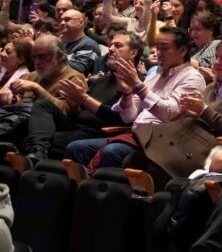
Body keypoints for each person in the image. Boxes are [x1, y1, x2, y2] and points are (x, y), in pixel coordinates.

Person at [65, 27, 205, 170]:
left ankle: (110, 190)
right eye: (157, 48)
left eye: (164, 48)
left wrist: (138, 85)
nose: (159, 53)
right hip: (137, 136)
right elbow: (128, 117)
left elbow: (169, 113)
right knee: (75, 148)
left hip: (162, 141)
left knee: (111, 152)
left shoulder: (192, 78)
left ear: (182, 51)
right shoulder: (153, 77)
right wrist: (126, 94)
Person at [133, 37, 222, 186]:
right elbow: (199, 116)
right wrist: (188, 111)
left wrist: (202, 110)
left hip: (207, 147)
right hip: (186, 138)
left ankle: (156, 205)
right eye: (216, 57)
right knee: (134, 158)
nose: (216, 62)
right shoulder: (210, 88)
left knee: (154, 167)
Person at [20, 32, 142, 162]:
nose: (111, 49)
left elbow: (121, 119)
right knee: (42, 106)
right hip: (76, 126)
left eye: (118, 45)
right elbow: (79, 112)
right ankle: (38, 151)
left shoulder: (137, 85)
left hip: (99, 132)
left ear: (133, 53)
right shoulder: (99, 81)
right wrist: (73, 104)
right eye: (111, 45)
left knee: (32, 139)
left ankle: (37, 153)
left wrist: (84, 99)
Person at [58, 9, 103, 75]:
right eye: (60, 20)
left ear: (81, 23)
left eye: (67, 20)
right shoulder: (60, 43)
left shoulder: (89, 45)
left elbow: (78, 70)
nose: (62, 23)